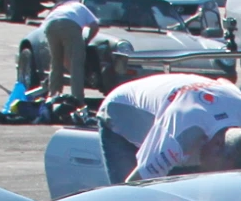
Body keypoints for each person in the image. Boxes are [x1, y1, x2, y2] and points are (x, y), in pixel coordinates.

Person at [98, 73, 232, 183]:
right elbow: (131, 187)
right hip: (120, 112)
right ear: (218, 145)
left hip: (176, 106)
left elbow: (223, 81)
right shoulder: (179, 138)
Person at [128, 80, 241, 181]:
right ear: (217, 145)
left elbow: (224, 81)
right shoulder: (182, 136)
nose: (216, 177)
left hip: (184, 96)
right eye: (220, 171)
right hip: (125, 111)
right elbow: (133, 184)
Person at [38, 0, 99, 102]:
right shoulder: (80, 6)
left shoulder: (59, 8)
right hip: (70, 25)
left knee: (56, 64)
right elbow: (95, 26)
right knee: (76, 65)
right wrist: (86, 41)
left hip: (50, 25)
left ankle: (53, 97)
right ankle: (78, 100)